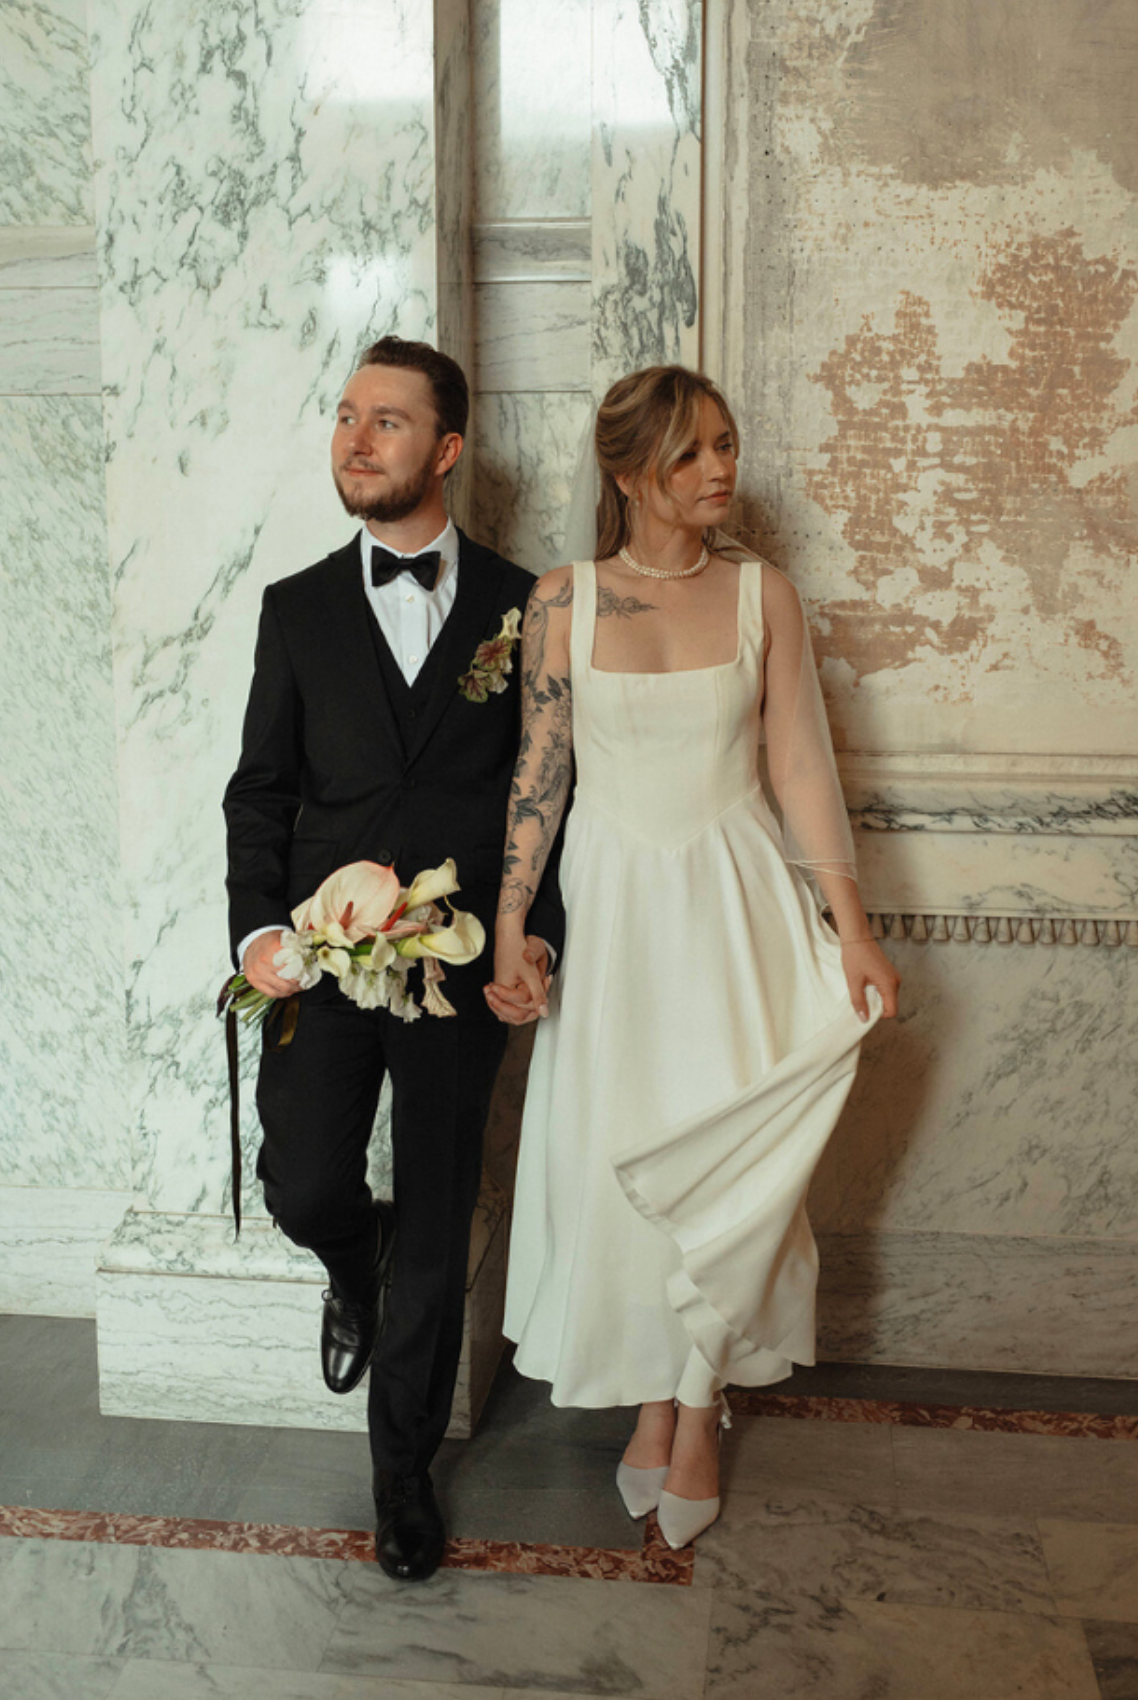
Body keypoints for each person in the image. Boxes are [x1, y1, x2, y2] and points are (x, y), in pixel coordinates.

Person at [486, 365, 900, 1550]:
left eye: (726, 443)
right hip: (616, 914)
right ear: (627, 474)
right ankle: (653, 1395)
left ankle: (698, 1397)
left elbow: (800, 766)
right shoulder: (564, 600)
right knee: (625, 1148)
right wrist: (511, 921)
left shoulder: (765, 595)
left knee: (724, 1161)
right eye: (690, 452)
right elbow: (541, 770)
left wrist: (853, 927)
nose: (721, 468)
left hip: (734, 907)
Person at [223, 336, 563, 1582]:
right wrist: (261, 933)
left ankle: (402, 1474)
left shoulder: (525, 606)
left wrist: (537, 936)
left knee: (436, 1214)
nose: (356, 440)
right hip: (322, 961)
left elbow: (548, 794)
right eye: (345, 416)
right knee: (305, 1181)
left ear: (448, 448)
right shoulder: (296, 607)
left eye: (389, 421)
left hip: (462, 965)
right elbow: (260, 791)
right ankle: (345, 1259)